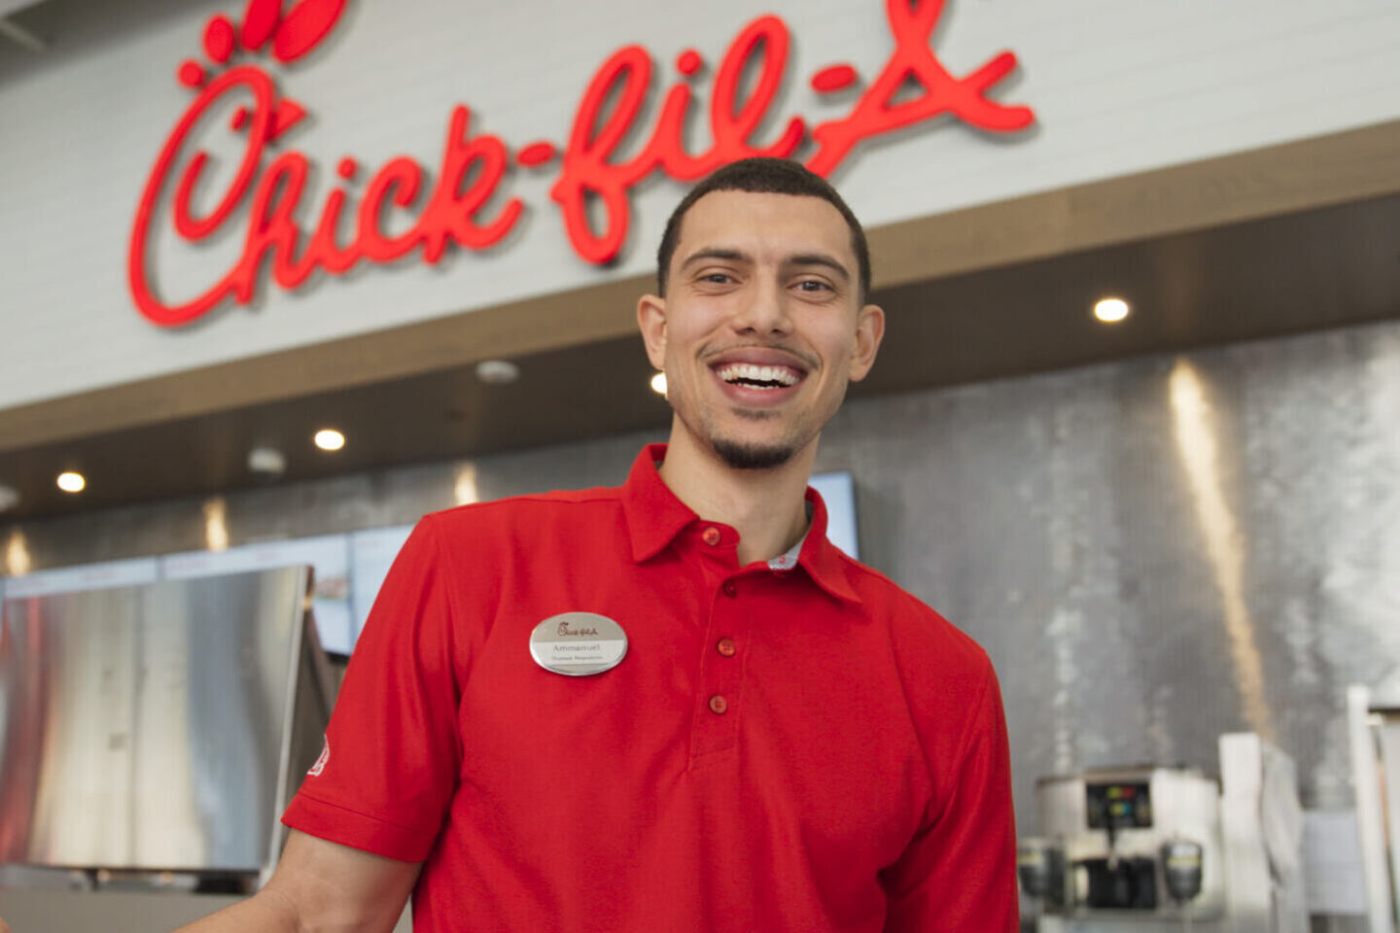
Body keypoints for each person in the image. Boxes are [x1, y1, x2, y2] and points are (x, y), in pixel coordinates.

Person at [182, 157, 1017, 932]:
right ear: (657, 328)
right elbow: (314, 916)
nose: (764, 313)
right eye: (718, 276)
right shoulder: (468, 566)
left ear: (862, 341)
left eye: (811, 284)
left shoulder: (945, 678)